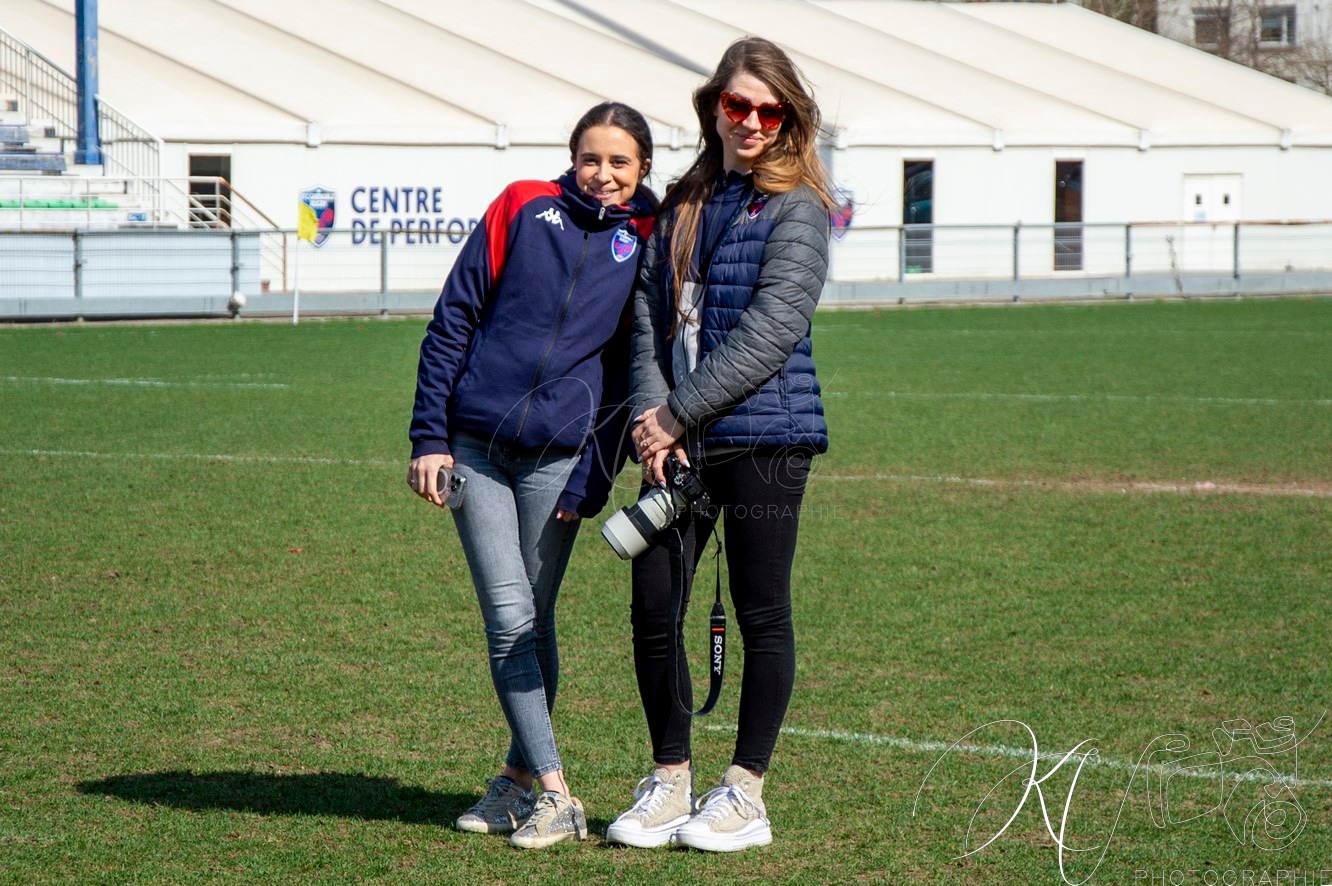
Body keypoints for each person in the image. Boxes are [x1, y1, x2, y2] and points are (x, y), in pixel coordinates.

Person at [604, 36, 836, 854]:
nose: (752, 122)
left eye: (769, 110)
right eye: (737, 105)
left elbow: (774, 330)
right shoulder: (683, 199)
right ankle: (669, 781)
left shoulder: (801, 207)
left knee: (760, 608)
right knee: (653, 600)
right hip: (678, 444)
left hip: (768, 440)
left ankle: (744, 793)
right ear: (714, 107)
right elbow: (647, 321)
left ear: (789, 118)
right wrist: (653, 415)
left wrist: (679, 414)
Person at [407, 101, 656, 850]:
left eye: (620, 161)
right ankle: (557, 794)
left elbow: (627, 372)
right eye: (591, 157)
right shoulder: (521, 205)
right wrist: (430, 437)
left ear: (643, 168)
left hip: (563, 458)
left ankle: (519, 784)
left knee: (534, 619)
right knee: (510, 617)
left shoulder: (648, 236)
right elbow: (453, 320)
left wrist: (594, 479)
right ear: (571, 158)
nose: (603, 174)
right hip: (475, 448)